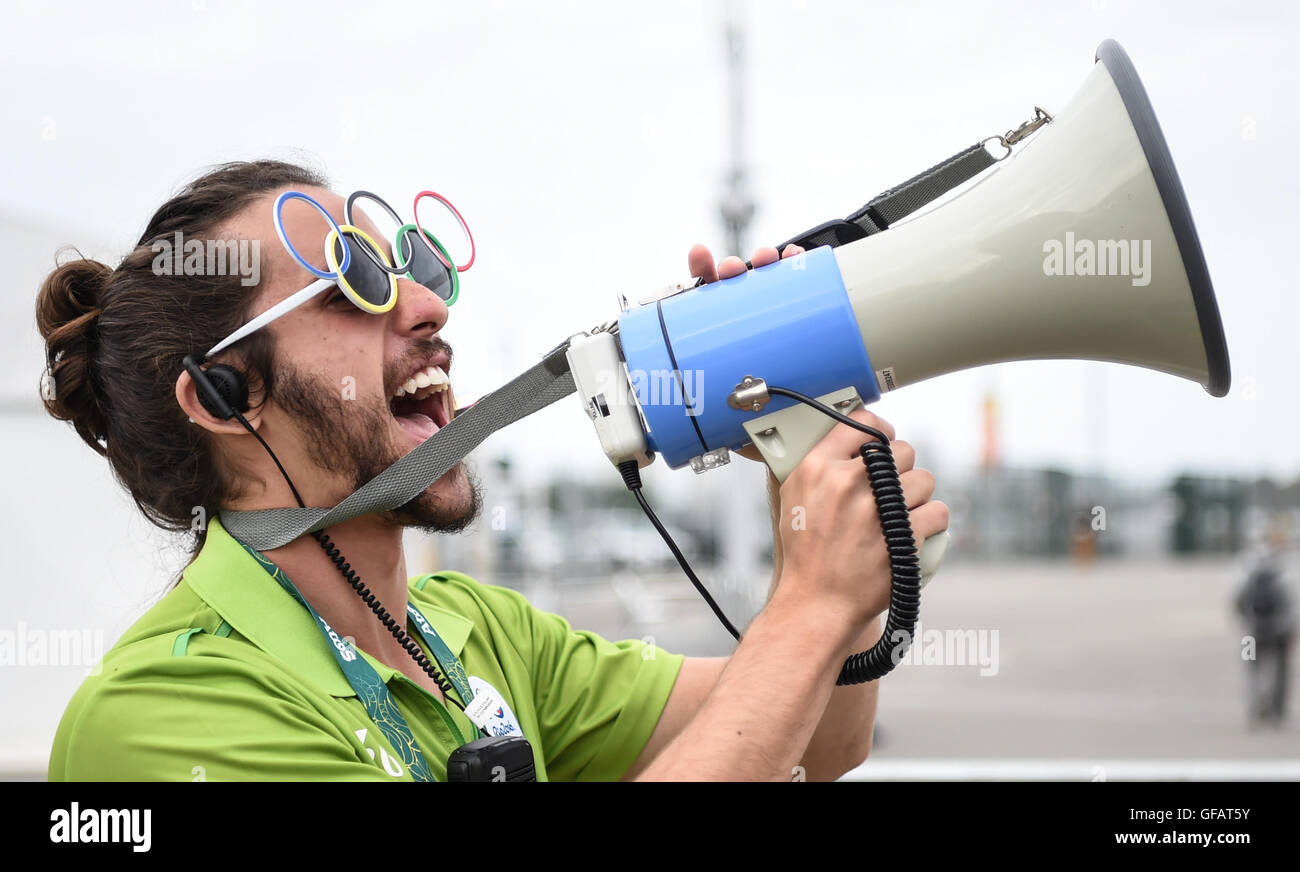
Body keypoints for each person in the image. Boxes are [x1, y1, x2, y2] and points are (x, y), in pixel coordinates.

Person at [38, 159, 948, 781]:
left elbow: (815, 741)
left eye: (413, 267)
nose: (430, 305)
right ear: (225, 397)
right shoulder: (163, 714)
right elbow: (791, 672)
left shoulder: (474, 631)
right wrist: (813, 604)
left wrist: (807, 469)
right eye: (355, 281)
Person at [1234, 526, 1295, 726]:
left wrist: (1246, 622)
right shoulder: (1285, 570)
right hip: (1280, 631)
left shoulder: (1246, 568)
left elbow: (1237, 602)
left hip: (1250, 632)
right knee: (1281, 669)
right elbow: (1291, 604)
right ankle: (1276, 711)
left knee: (1252, 668)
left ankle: (1254, 706)